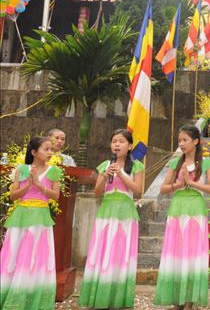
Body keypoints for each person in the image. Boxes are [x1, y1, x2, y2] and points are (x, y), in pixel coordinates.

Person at [154, 125, 210, 309]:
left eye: (185, 140)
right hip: (178, 209)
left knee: (192, 253)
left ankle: (189, 300)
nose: (181, 144)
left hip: (196, 209)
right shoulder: (176, 162)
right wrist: (179, 184)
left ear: (196, 141)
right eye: (179, 140)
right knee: (176, 252)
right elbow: (163, 188)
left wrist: (192, 183)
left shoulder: (205, 162)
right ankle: (177, 299)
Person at [78, 129, 144, 309]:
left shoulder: (136, 165)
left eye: (121, 141)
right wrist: (105, 176)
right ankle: (99, 294)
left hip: (125, 213)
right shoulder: (105, 165)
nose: (117, 144)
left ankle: (117, 297)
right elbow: (97, 192)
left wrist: (121, 174)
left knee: (120, 253)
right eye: (114, 141)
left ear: (129, 146)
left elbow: (137, 190)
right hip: (106, 212)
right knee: (103, 251)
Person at [0, 136, 61, 310]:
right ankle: (10, 294)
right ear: (34, 152)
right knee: (15, 254)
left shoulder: (54, 171)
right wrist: (29, 184)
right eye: (46, 149)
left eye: (51, 149)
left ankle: (33, 297)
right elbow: (13, 196)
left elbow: (56, 196)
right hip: (21, 217)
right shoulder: (21, 169)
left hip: (40, 218)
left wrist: (38, 184)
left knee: (36, 256)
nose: (50, 152)